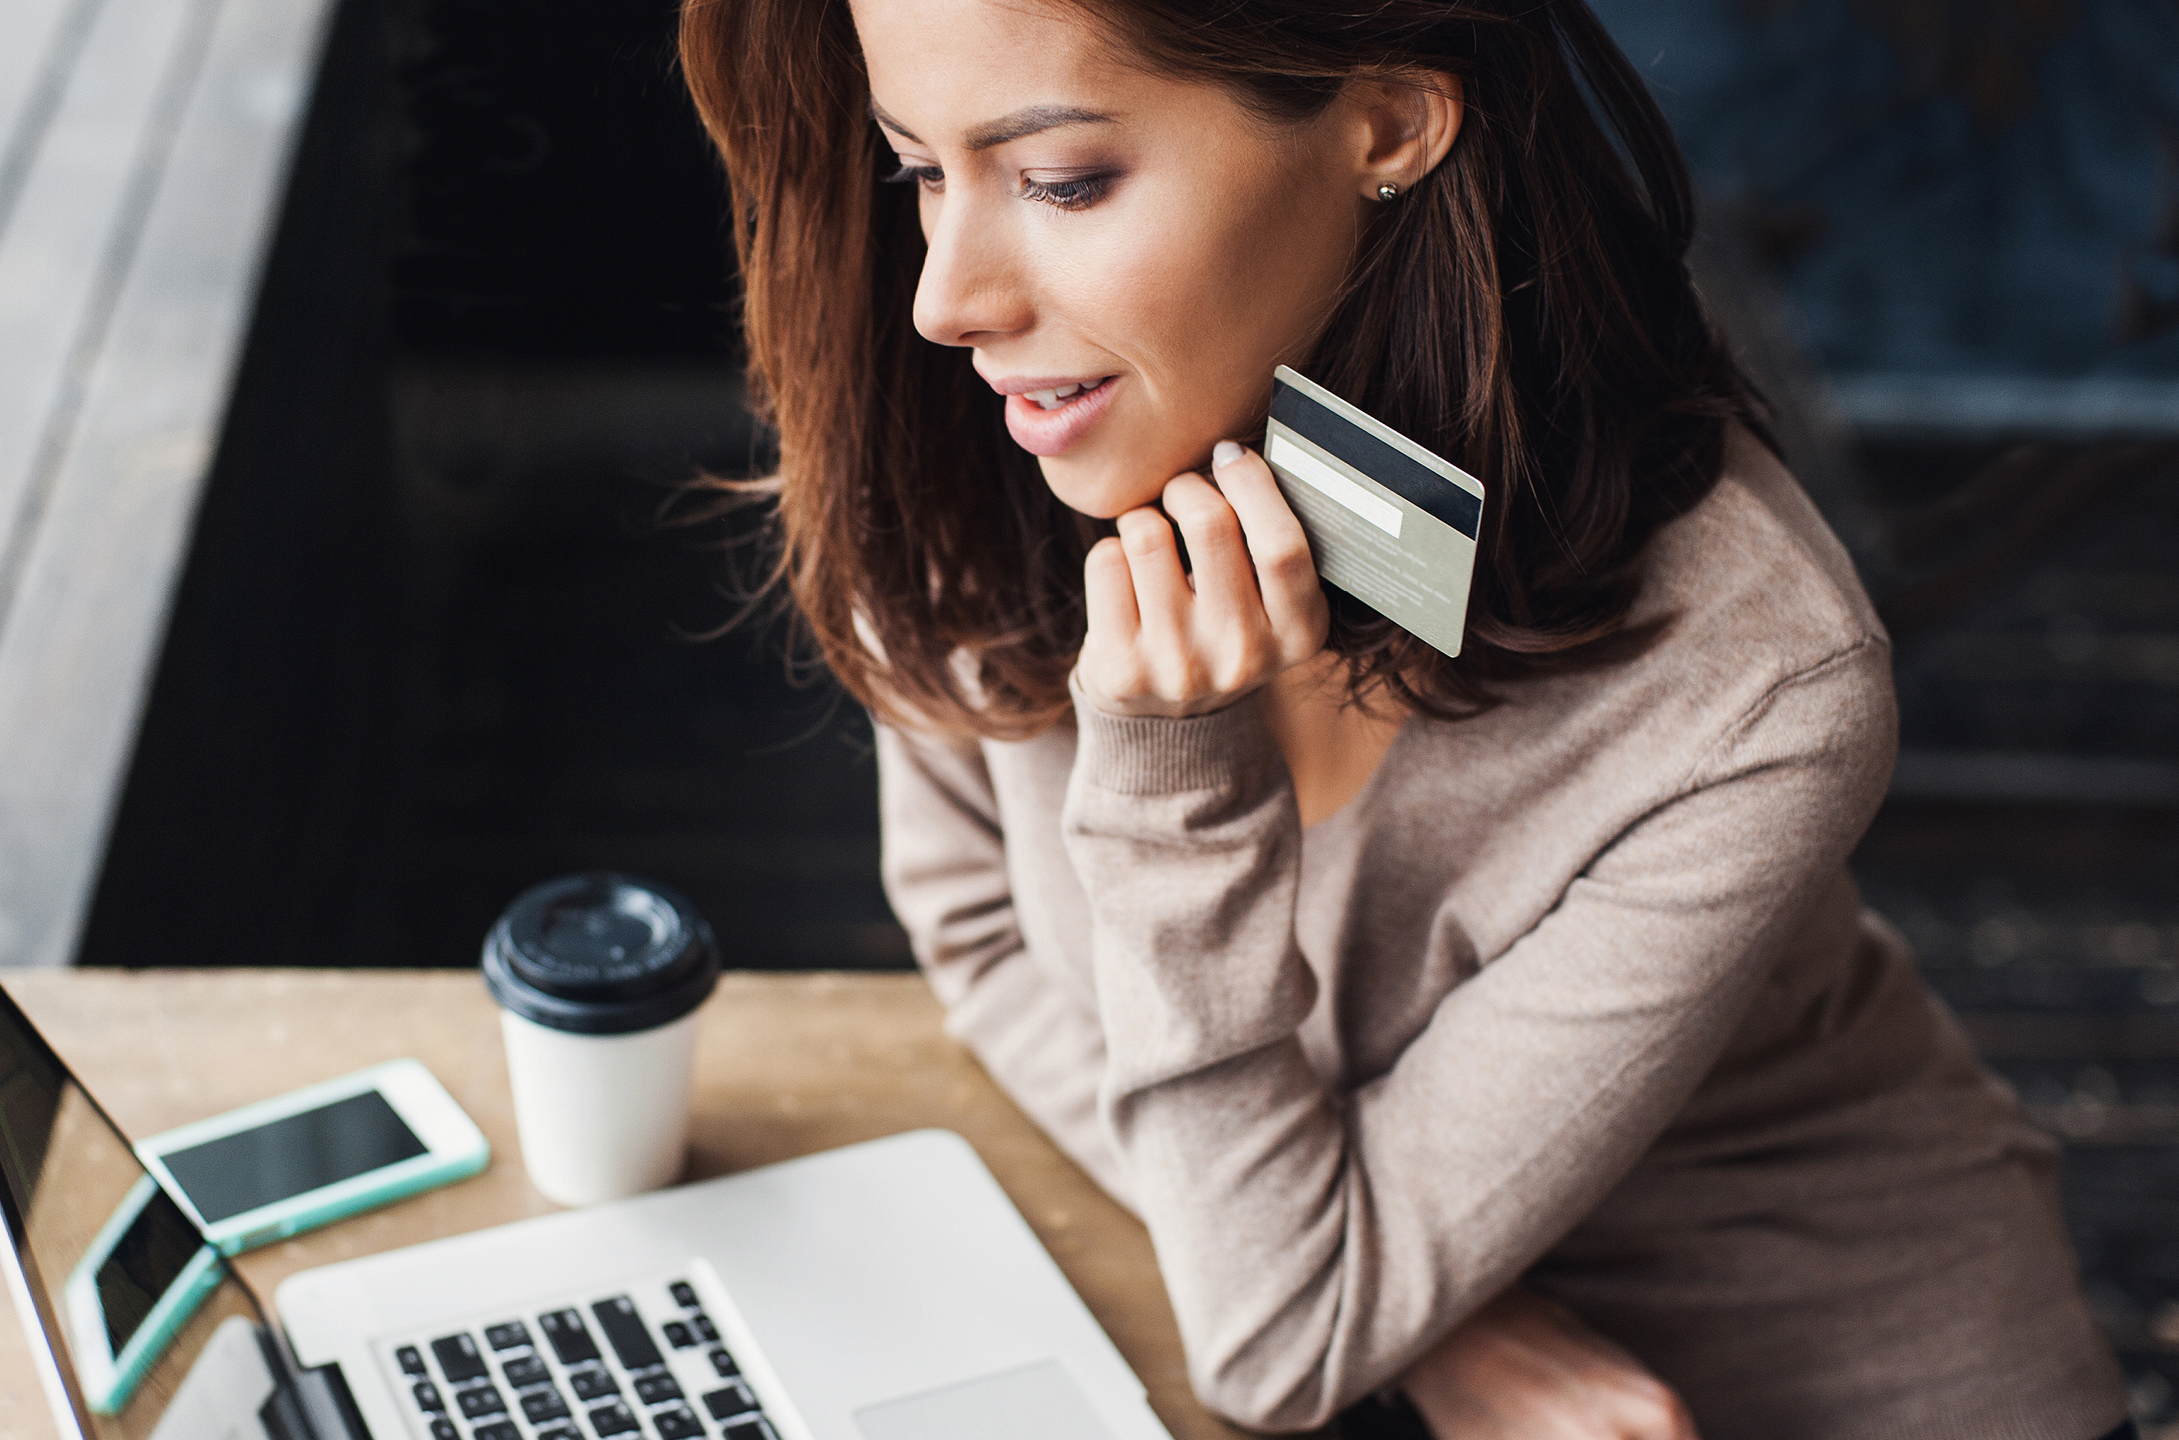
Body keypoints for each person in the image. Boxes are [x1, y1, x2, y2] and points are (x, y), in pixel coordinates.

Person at [676, 1, 2132, 1437]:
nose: (948, 298)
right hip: (1358, 1334)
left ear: (1387, 122)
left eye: (1062, 181)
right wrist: (1441, 1331)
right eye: (921, 168)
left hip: (1792, 1376)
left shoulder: (1762, 682)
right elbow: (983, 935)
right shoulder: (989, 429)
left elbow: (1278, 1347)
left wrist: (1174, 784)